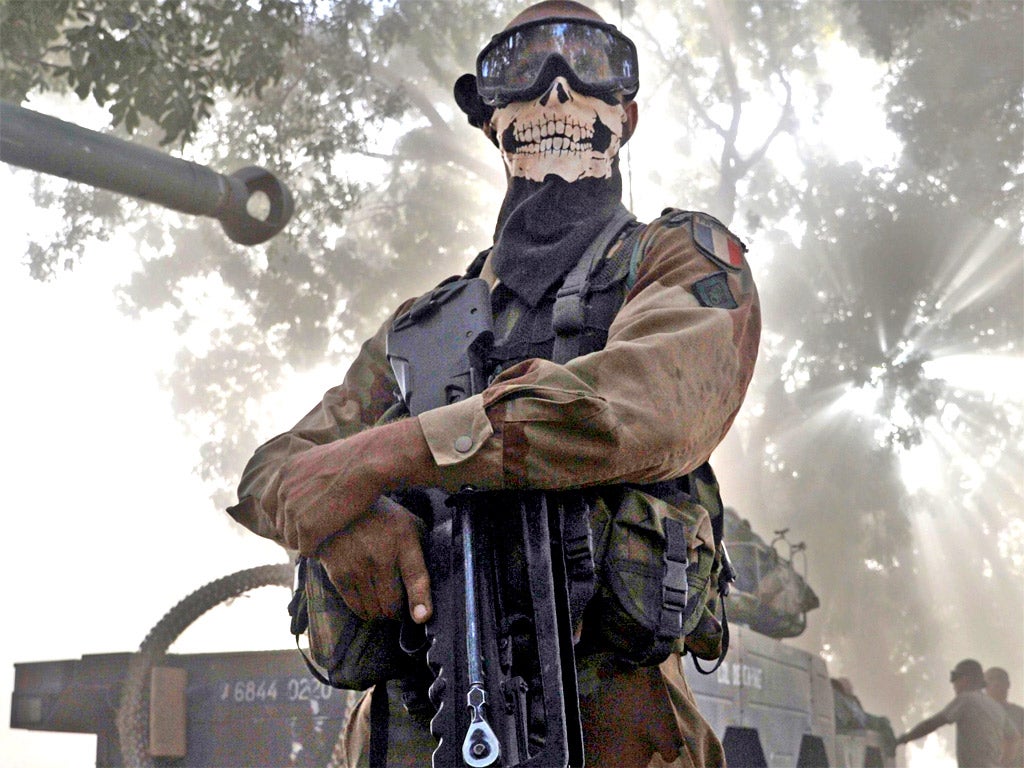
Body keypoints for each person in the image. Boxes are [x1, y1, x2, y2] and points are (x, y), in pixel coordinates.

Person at [227, 1, 760, 766]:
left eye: (589, 67)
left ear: (627, 116)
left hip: (618, 739)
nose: (556, 92)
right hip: (414, 732)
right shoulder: (423, 326)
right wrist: (347, 523)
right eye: (523, 67)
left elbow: (641, 408)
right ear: (490, 118)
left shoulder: (678, 261)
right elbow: (275, 475)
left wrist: (389, 457)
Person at [895, 659, 1021, 768]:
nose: (953, 685)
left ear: (964, 680)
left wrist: (904, 739)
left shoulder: (966, 699)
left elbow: (933, 723)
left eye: (954, 679)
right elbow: (1014, 737)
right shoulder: (995, 707)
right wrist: (1003, 763)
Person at [986, 666, 1024, 767]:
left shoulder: (1020, 714)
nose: (996, 683)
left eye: (1000, 679)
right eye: (991, 679)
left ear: (1008, 685)